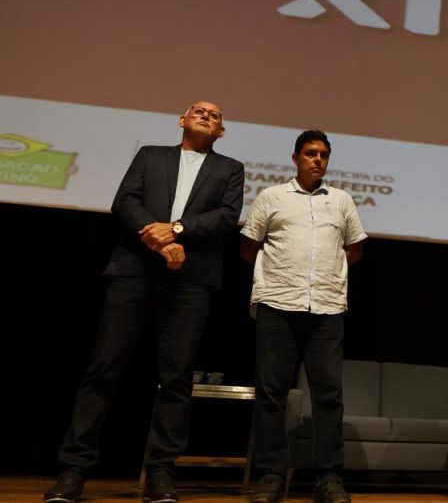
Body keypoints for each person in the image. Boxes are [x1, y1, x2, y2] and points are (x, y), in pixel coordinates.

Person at [43, 102, 245, 503]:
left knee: (177, 376)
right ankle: (74, 469)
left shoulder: (230, 169)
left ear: (221, 132)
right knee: (104, 368)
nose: (207, 115)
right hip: (134, 271)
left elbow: (226, 216)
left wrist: (177, 230)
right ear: (182, 120)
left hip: (191, 280)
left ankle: (161, 472)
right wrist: (158, 242)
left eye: (215, 115)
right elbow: (125, 201)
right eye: (199, 110)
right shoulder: (151, 155)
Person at [240, 130, 367, 503]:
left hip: (326, 306)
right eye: (311, 153)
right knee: (272, 393)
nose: (318, 160)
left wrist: (324, 275)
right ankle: (270, 476)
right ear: (295, 158)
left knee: (329, 395)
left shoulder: (341, 200)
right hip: (277, 302)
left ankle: (328, 478)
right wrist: (283, 273)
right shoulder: (272, 197)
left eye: (324, 154)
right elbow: (249, 246)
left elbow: (355, 249)